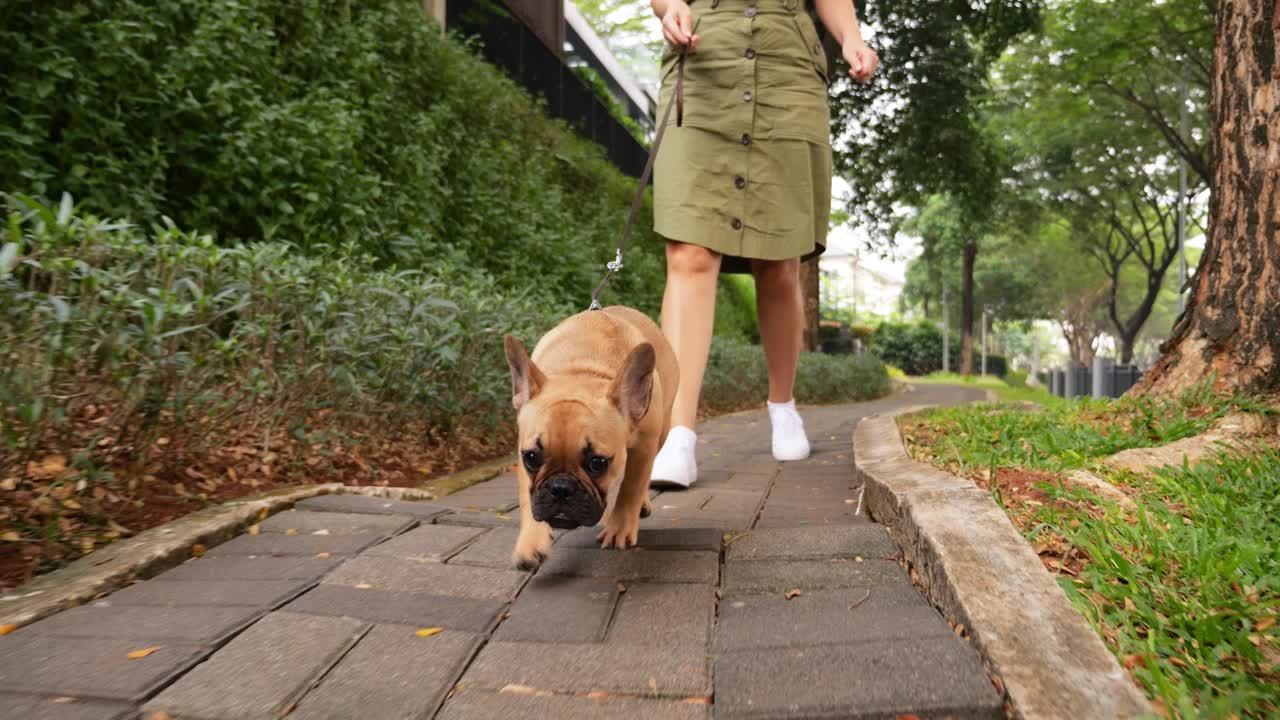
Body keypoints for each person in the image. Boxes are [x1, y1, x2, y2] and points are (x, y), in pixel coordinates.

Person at [647, 0, 879, 488]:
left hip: (787, 67)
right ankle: (678, 435)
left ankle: (783, 405)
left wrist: (851, 38)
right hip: (705, 59)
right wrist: (669, 9)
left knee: (778, 259)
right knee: (689, 252)